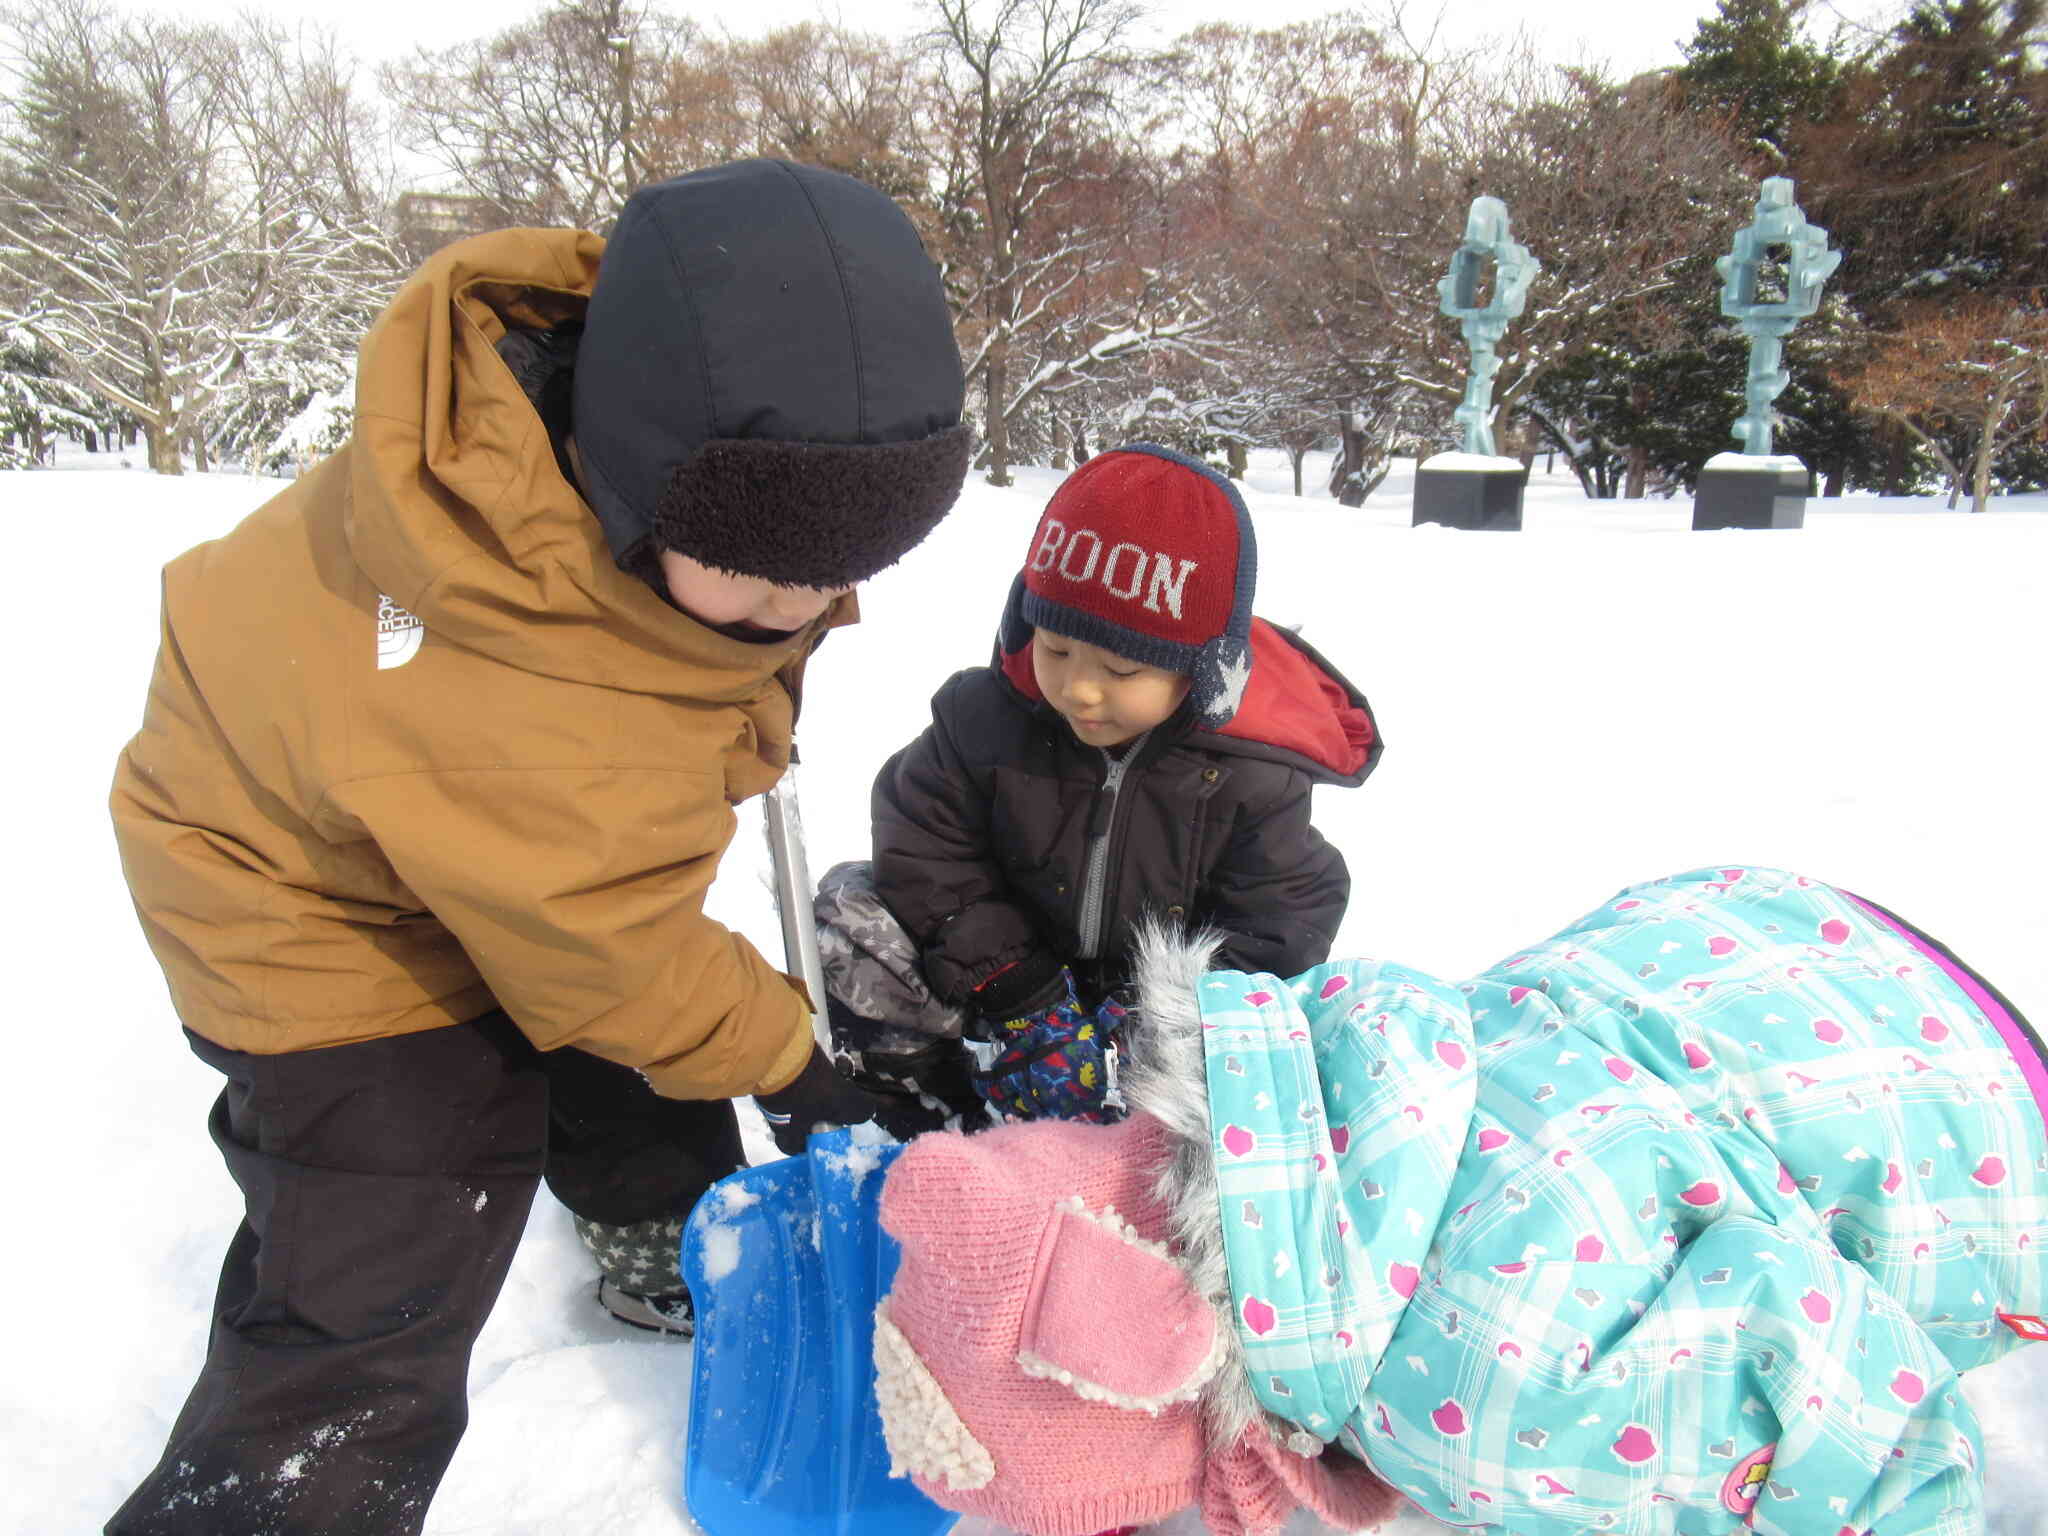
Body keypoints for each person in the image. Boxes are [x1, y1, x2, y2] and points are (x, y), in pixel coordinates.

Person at [104, 158, 971, 1535]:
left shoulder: (577, 423)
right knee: (384, 1263)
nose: (791, 607)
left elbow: (594, 917)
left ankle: (645, 1225)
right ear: (638, 476)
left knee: (622, 1034)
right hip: (306, 903)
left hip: (423, 815)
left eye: (832, 574)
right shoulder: (511, 656)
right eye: (755, 566)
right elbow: (607, 945)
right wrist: (795, 1068)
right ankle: (267, 1498)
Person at [871, 865, 2048, 1536]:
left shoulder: (1472, 1381)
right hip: (1783, 944)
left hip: (1977, 1135)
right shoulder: (1314, 1088)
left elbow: (1875, 1430)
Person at [817, 442, 1380, 1127]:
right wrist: (1015, 987)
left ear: (1200, 675)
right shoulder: (983, 720)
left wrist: (1158, 1009)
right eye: (1056, 648)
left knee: (1262, 1034)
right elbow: (924, 843)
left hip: (1146, 1011)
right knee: (854, 920)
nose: (1079, 689)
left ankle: (1137, 1154)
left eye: (1119, 670)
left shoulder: (1249, 773)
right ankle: (924, 1121)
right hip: (1001, 979)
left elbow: (1283, 916)